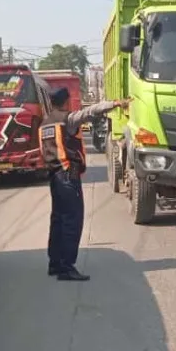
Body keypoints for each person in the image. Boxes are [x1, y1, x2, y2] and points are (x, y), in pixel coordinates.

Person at [39, 87, 130, 281]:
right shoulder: (68, 119)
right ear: (66, 101)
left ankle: (54, 263)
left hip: (54, 176)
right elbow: (91, 111)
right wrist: (115, 103)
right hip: (67, 177)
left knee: (58, 221)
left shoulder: (44, 123)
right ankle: (67, 267)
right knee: (72, 221)